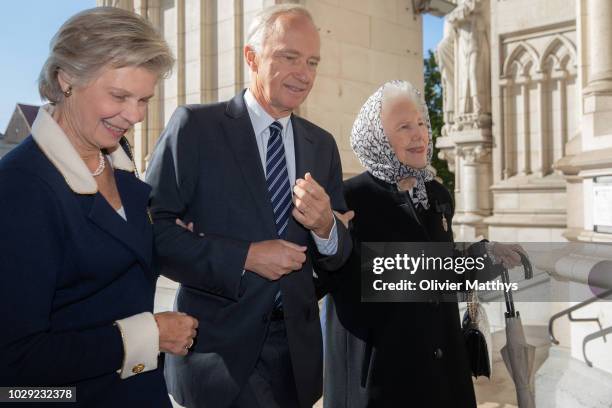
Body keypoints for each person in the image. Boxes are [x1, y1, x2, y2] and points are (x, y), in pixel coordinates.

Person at [145, 4, 352, 408]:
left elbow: (340, 256)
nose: (304, 73)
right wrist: (245, 257)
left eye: (312, 62)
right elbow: (152, 233)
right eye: (289, 57)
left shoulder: (322, 145)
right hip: (216, 356)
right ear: (251, 56)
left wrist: (328, 228)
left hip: (296, 359)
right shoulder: (195, 128)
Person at [0, 7, 198, 407]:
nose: (136, 115)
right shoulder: (19, 187)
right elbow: (15, 362)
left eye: (144, 99)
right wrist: (150, 336)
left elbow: (107, 265)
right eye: (120, 96)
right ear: (66, 80)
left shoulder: (120, 169)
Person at [323, 80, 523, 408]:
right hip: (382, 380)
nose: (418, 134)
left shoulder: (437, 196)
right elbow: (349, 278)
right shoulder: (347, 200)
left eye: (420, 123)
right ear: (377, 137)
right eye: (404, 127)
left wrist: (483, 255)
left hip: (444, 375)